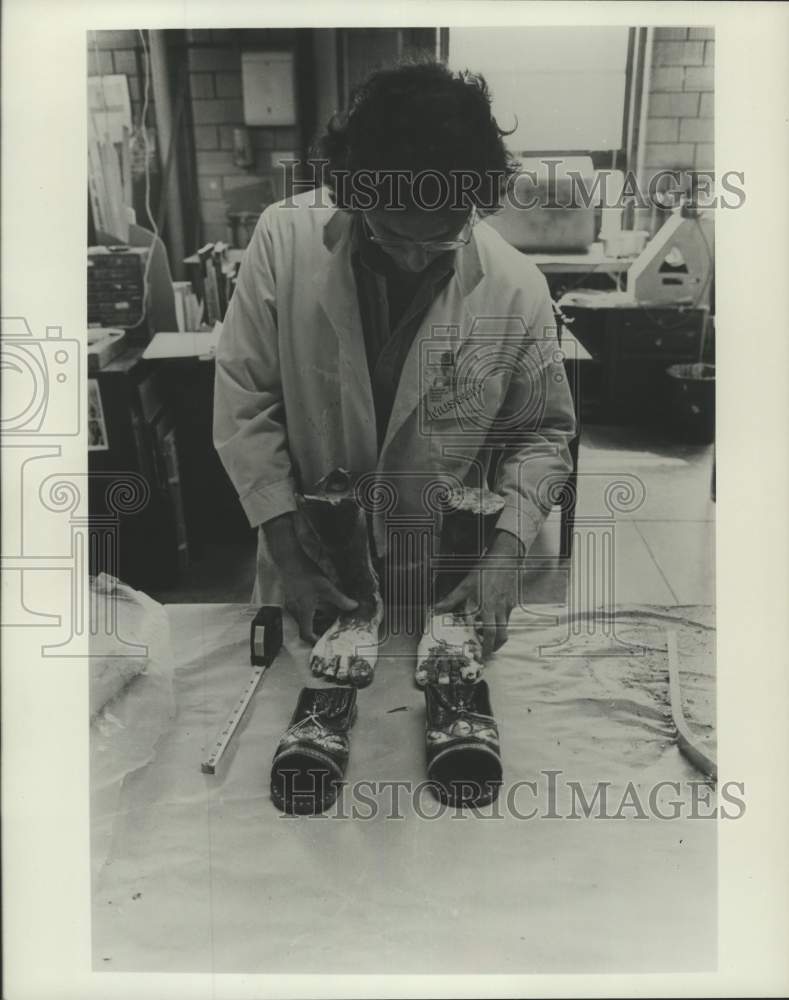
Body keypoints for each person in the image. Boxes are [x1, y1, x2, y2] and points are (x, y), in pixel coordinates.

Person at [213, 60, 576, 687]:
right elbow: (248, 402)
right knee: (300, 720)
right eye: (389, 235)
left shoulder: (517, 287)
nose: (411, 259)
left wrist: (506, 555)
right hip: (313, 568)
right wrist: (291, 560)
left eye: (435, 242)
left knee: (437, 736)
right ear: (353, 196)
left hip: (440, 578)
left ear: (473, 203)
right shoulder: (283, 240)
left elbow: (541, 435)